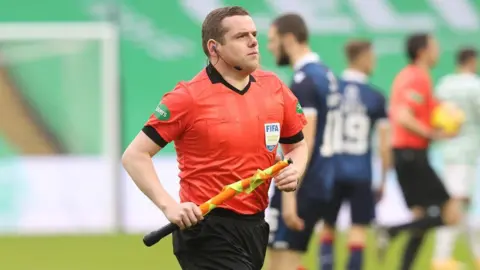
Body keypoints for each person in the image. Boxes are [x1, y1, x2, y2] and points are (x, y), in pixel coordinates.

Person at [121, 6, 309, 270]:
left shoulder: (274, 87)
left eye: (254, 34)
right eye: (241, 36)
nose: (254, 41)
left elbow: (297, 145)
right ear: (214, 48)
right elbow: (135, 156)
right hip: (205, 229)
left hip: (254, 226)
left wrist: (295, 169)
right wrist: (169, 206)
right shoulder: (187, 97)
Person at [377, 33, 463, 270]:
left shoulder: (418, 77)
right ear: (423, 51)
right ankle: (391, 229)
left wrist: (443, 124)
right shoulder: (415, 77)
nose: (439, 51)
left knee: (420, 217)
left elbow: (423, 112)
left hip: (410, 153)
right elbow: (403, 116)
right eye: (435, 46)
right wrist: (433, 133)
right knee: (451, 212)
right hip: (411, 153)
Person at [265, 13, 338, 270]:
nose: (269, 46)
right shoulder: (325, 74)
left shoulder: (303, 81)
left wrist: (289, 195)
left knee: (281, 263)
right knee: (288, 260)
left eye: (273, 40)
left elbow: (304, 140)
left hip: (301, 183)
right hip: (321, 179)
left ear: (289, 39)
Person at [319, 40, 391, 270]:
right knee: (358, 229)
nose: (374, 61)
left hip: (332, 169)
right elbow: (384, 143)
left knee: (328, 226)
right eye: (372, 56)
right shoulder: (375, 97)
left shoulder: (331, 91)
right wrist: (384, 179)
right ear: (362, 57)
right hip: (361, 172)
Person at [431, 48, 480, 270]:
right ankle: (442, 257)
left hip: (447, 150)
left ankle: (476, 254)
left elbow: (435, 113)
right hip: (467, 151)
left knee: (463, 205)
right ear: (472, 61)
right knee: (455, 205)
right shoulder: (475, 86)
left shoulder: (444, 85)